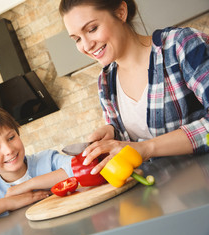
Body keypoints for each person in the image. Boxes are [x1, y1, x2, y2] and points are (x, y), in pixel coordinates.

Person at [59, 0, 209, 174]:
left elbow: (142, 148)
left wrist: (147, 148)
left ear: (121, 12)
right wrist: (113, 133)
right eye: (77, 39)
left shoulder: (179, 46)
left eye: (92, 29)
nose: (86, 46)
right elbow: (131, 145)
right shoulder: (106, 82)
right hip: (157, 194)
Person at [0, 105, 74, 226]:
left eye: (11, 137)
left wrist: (29, 184)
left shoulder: (47, 160)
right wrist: (8, 203)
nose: (9, 150)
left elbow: (80, 167)